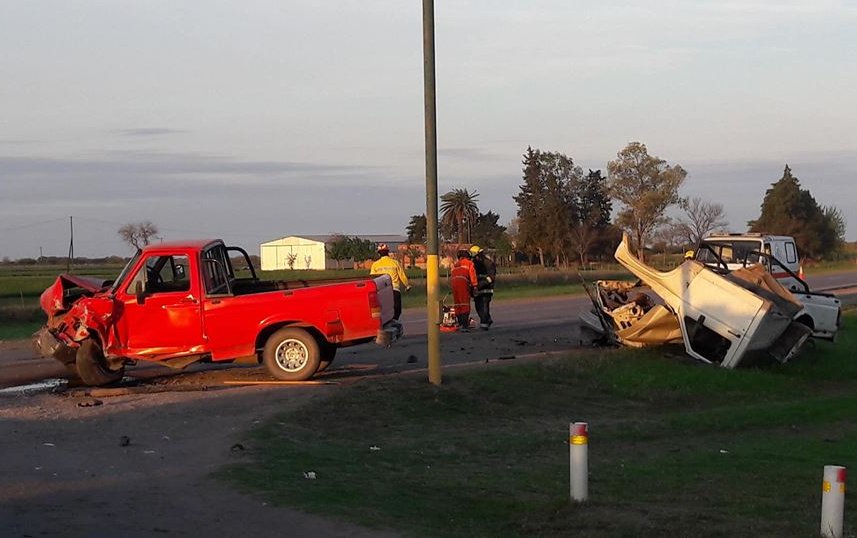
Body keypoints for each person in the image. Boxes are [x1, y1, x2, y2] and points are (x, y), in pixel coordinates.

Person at [370, 243, 410, 321]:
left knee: (383, 311)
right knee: (397, 310)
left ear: (379, 253)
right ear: (388, 252)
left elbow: (372, 280)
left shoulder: (375, 265)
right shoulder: (395, 263)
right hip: (394, 290)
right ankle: (394, 322)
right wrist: (407, 285)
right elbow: (402, 276)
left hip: (381, 292)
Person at [450, 249, 477, 332]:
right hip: (463, 282)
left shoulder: (456, 264)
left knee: (458, 303)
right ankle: (465, 325)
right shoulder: (469, 263)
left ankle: (460, 323)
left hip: (454, 283)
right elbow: (472, 275)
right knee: (464, 303)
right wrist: (475, 286)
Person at [469, 245, 496, 330]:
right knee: (478, 306)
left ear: (479, 254)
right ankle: (487, 319)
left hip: (486, 289)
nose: (474, 258)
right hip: (477, 289)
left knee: (484, 305)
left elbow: (491, 277)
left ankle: (484, 324)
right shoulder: (474, 263)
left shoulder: (489, 263)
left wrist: (481, 284)